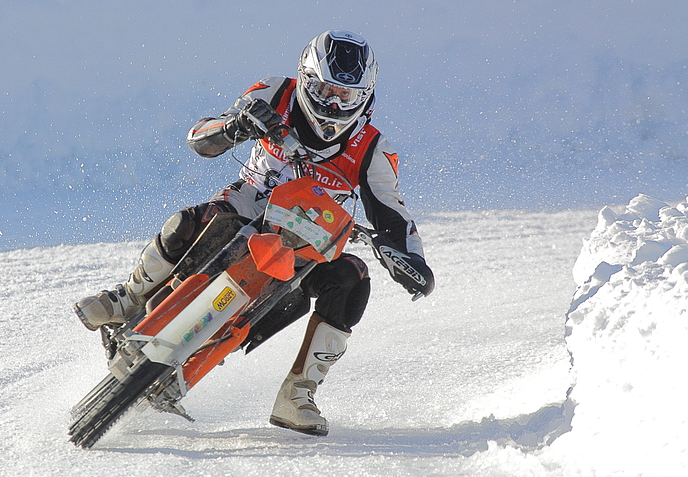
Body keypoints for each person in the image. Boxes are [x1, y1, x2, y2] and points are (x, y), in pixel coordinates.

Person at [74, 30, 434, 436]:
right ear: (303, 77)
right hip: (245, 206)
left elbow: (397, 218)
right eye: (322, 89)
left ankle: (299, 393)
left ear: (364, 96)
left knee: (353, 278)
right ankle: (128, 296)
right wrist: (233, 126)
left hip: (307, 245)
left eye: (345, 97)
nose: (332, 104)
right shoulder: (274, 92)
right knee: (191, 220)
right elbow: (198, 138)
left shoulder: (372, 151)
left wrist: (413, 261)